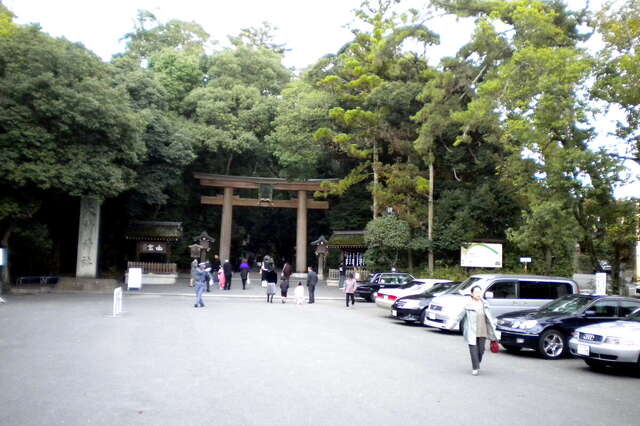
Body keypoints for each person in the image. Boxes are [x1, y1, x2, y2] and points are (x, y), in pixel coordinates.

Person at [449, 285, 498, 376]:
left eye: (479, 292)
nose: (478, 294)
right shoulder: (468, 305)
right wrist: (452, 325)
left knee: (481, 350)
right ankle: (475, 367)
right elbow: (459, 316)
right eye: (476, 292)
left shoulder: (485, 304)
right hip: (472, 331)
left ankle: (477, 362)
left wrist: (494, 327)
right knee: (473, 350)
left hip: (483, 330)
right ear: (472, 294)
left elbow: (489, 318)